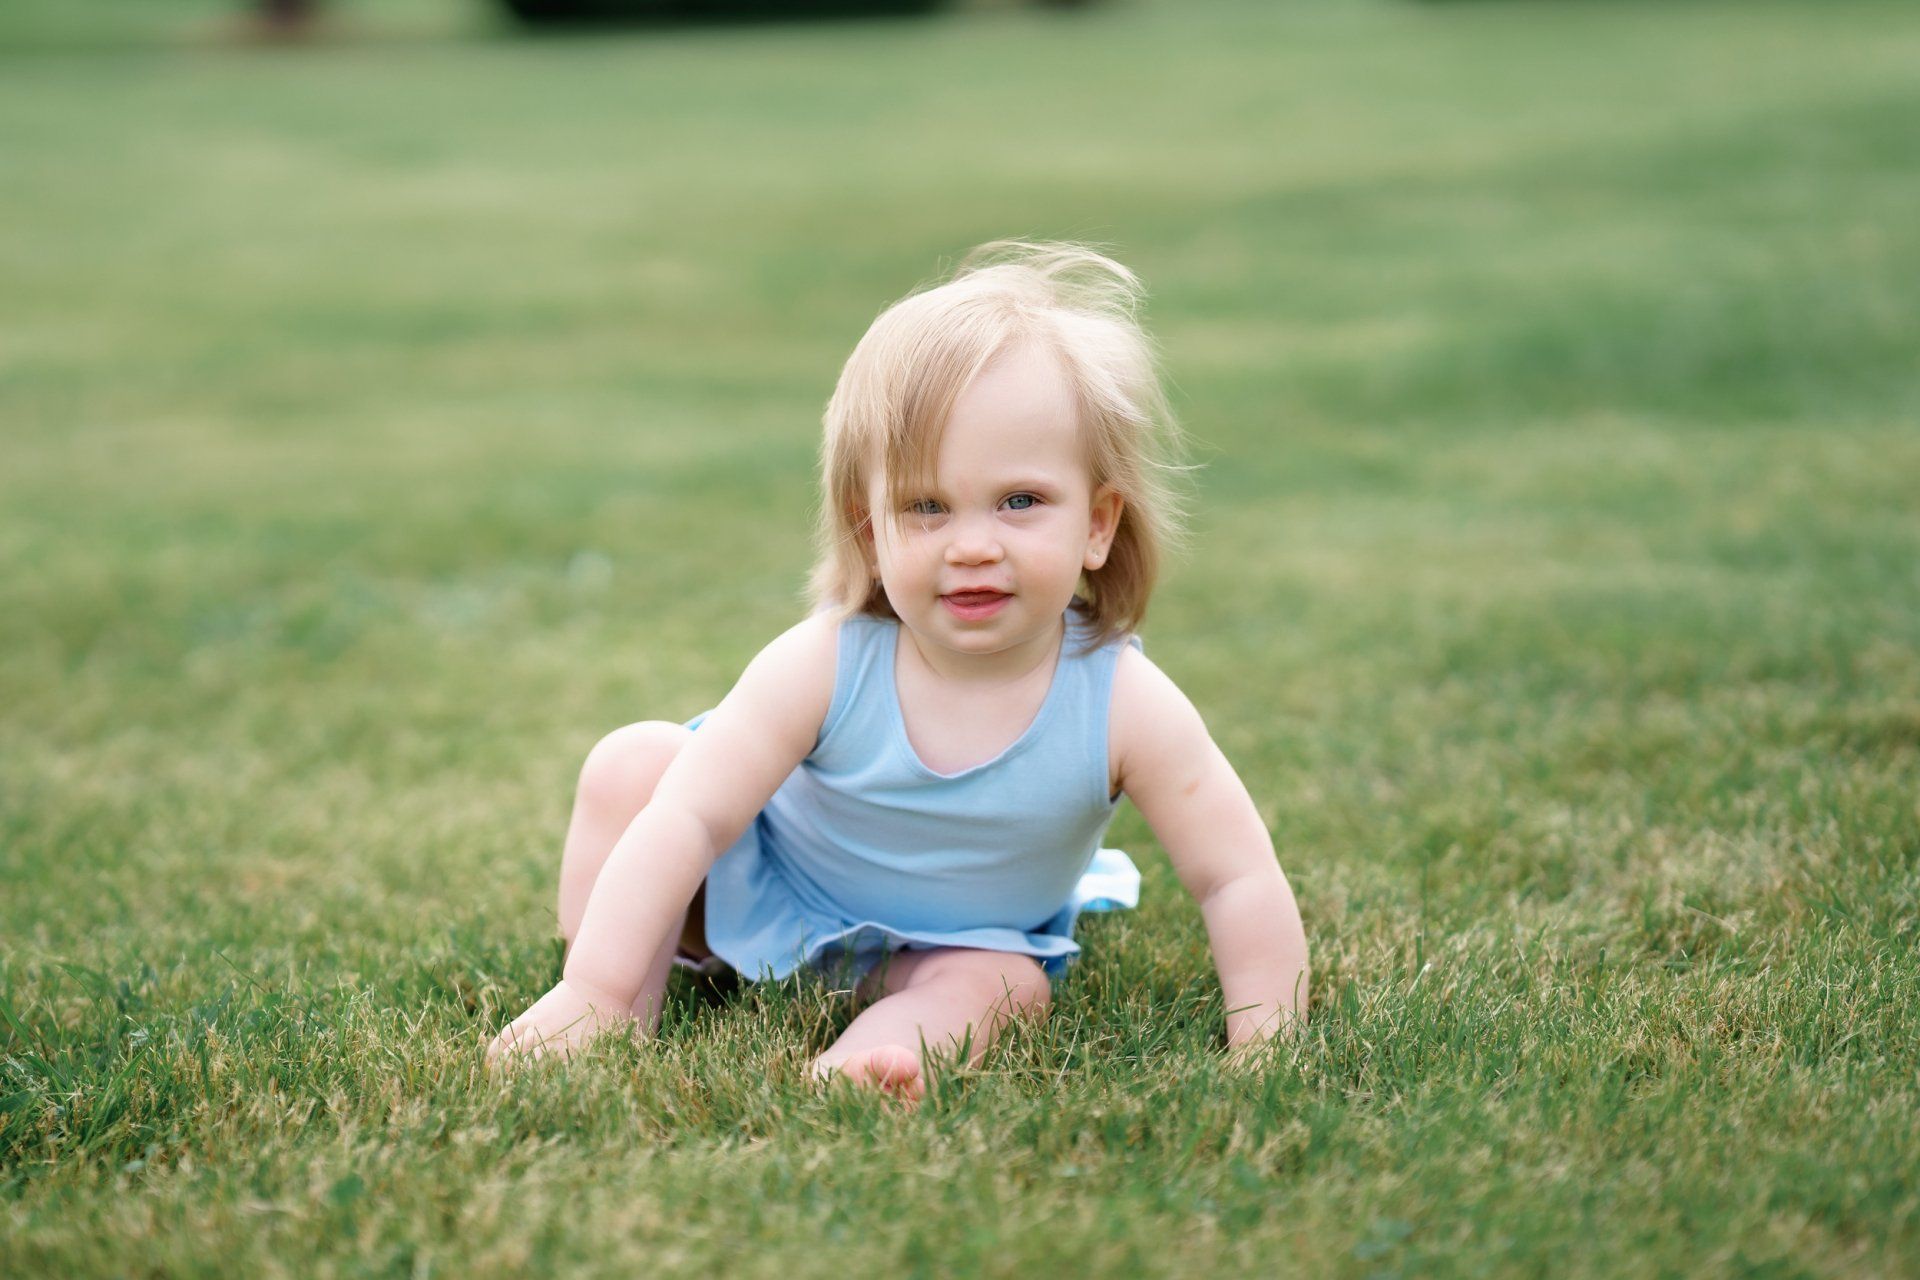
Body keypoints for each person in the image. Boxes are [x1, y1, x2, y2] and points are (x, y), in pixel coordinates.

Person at [485, 241, 1308, 1104]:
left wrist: (1267, 1040)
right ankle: (610, 999)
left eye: (1021, 501)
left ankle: (874, 1059)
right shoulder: (827, 662)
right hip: (755, 895)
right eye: (927, 507)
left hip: (948, 947)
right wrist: (597, 990)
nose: (975, 544)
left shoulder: (1124, 702)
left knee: (1007, 985)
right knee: (634, 769)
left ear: (1098, 525)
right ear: (871, 534)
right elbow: (689, 819)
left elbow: (1236, 875)